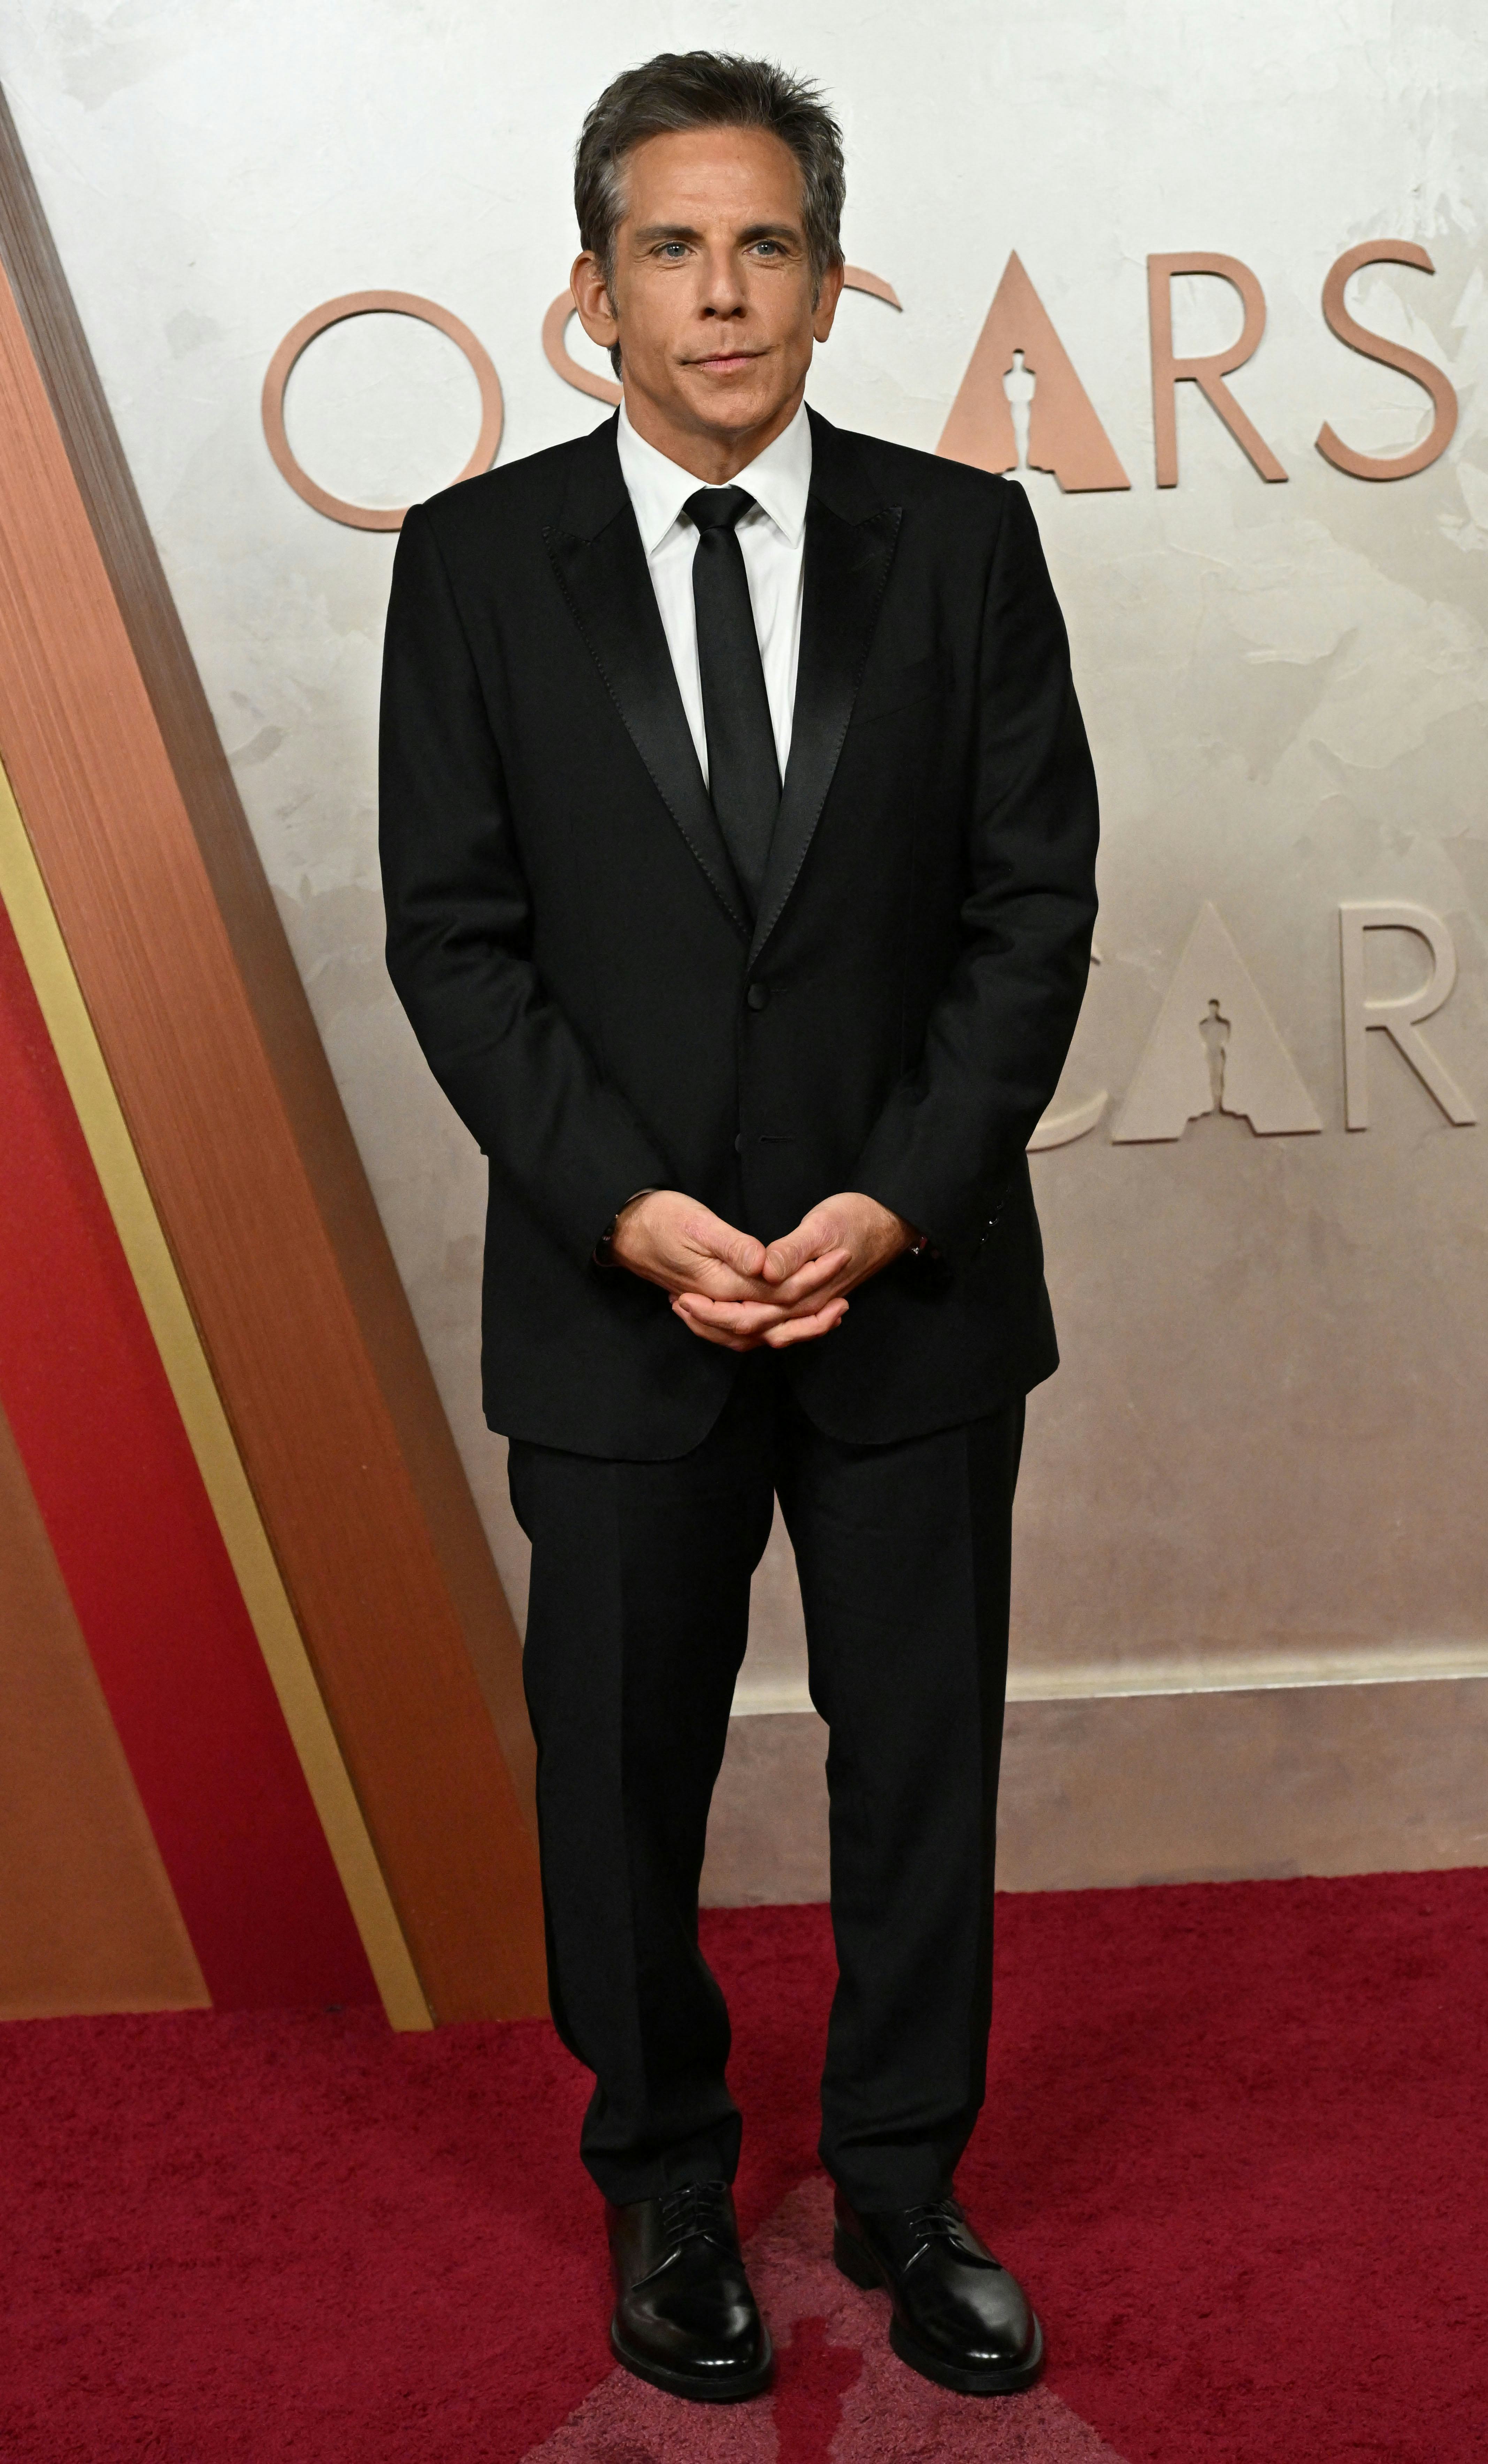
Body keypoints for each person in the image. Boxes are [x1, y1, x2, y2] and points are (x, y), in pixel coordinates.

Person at [379, 49, 1098, 2406]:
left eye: (767, 242)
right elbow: (454, 940)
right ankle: (667, 2183)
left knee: (923, 1754)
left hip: (914, 1292)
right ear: (591, 291)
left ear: (825, 274)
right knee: (620, 1770)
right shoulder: (474, 563)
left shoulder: (964, 544)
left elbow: (1031, 915)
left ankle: (903, 2184)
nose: (724, 291)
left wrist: (895, 1202)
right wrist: (634, 1210)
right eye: (674, 248)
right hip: (622, 1299)